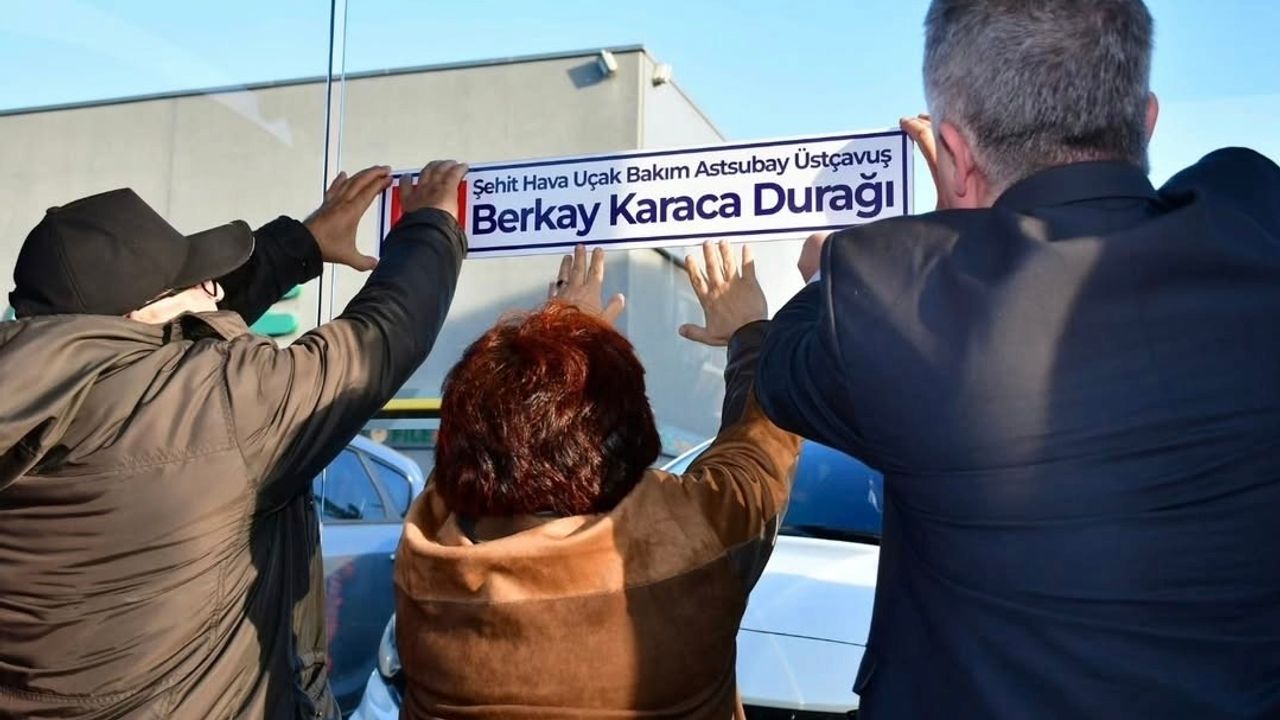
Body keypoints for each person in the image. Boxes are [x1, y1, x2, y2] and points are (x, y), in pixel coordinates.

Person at [753, 0, 1280, 717]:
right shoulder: (1254, 224)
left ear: (955, 154)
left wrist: (838, 270)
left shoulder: (887, 300)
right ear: (1147, 119)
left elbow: (781, 369)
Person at [0, 160, 470, 718]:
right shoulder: (213, 407)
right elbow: (379, 341)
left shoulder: (31, 399)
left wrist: (302, 246)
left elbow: (160, 345)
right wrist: (431, 226)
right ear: (134, 315)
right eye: (193, 280)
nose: (216, 287)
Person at [393, 241, 802, 719]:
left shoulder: (428, 557)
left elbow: (475, 445)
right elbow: (759, 451)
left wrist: (562, 336)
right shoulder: (690, 538)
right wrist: (751, 335)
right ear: (627, 431)